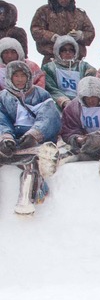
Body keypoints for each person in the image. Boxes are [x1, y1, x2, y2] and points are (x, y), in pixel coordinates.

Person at [0, 60, 62, 215]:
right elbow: (1, 119)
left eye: (23, 75)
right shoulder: (3, 97)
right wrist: (6, 138)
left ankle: (25, 201)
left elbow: (49, 117)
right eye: (16, 76)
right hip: (13, 140)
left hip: (35, 139)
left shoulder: (41, 94)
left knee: (33, 161)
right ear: (9, 78)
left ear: (29, 77)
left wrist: (34, 134)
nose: (20, 79)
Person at [51, 76, 100, 179]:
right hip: (85, 143)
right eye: (87, 97)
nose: (91, 100)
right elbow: (68, 128)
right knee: (75, 150)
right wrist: (76, 139)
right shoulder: (73, 107)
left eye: (94, 97)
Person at [29, 0, 95, 63]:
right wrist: (52, 37)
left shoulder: (79, 14)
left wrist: (80, 35)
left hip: (76, 60)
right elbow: (35, 29)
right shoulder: (44, 11)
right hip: (51, 59)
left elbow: (90, 32)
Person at [42, 36, 96, 108]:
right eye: (64, 50)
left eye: (71, 50)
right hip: (57, 104)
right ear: (58, 51)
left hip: (81, 103)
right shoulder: (49, 68)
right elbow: (50, 89)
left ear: (75, 51)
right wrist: (64, 101)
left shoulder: (83, 66)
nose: (68, 53)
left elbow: (91, 83)